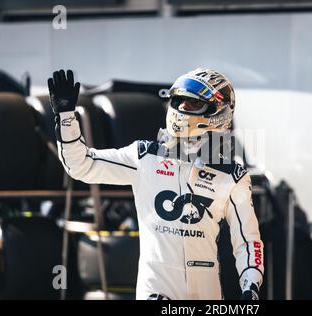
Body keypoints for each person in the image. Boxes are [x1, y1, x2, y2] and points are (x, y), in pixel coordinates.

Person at [47, 68, 264, 300]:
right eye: (178, 101)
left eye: (192, 104)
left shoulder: (232, 176)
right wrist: (66, 116)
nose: (181, 109)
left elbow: (248, 241)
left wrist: (250, 287)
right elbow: (81, 164)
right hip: (157, 293)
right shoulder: (144, 158)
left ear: (218, 112)